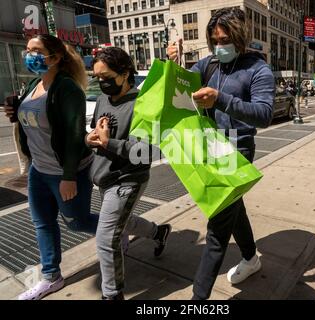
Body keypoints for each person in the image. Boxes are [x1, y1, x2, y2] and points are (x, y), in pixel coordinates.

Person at [167, 7, 275, 300]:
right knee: (232, 209)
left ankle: (198, 299)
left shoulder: (258, 69)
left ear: (240, 37)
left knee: (217, 228)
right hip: (209, 147)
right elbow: (180, 86)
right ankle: (251, 258)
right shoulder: (208, 64)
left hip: (237, 151)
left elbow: (264, 114)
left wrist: (221, 99)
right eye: (214, 40)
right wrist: (172, 64)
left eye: (225, 39)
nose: (219, 46)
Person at [4, 34, 98, 300]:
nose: (28, 55)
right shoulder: (34, 84)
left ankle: (117, 231)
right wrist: (16, 112)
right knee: (42, 223)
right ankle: (51, 277)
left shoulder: (67, 89)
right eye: (27, 50)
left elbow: (73, 135)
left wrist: (68, 177)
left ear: (55, 58)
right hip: (39, 170)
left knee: (77, 223)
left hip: (68, 171)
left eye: (36, 51)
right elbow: (31, 119)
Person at [85, 47, 171, 300]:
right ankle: (158, 233)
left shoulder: (141, 105)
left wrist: (107, 142)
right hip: (104, 176)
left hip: (128, 179)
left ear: (125, 74)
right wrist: (89, 139)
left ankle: (112, 294)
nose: (102, 83)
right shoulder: (102, 100)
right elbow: (96, 134)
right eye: (97, 77)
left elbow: (148, 152)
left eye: (107, 77)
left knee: (106, 237)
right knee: (123, 223)